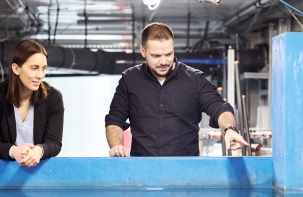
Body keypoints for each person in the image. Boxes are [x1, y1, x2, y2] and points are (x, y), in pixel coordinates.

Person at [105, 22, 249, 157]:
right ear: (143, 51)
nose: (163, 61)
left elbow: (220, 108)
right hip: (143, 170)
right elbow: (115, 120)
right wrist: (117, 146)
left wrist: (229, 129)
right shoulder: (130, 79)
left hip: (186, 172)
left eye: (168, 54)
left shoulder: (195, 79)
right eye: (156, 56)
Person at [0, 39, 64, 166]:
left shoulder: (53, 98)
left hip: (39, 171)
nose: (40, 75)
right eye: (34, 68)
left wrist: (40, 150)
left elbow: (54, 142)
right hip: (2, 172)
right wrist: (14, 151)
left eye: (43, 69)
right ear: (16, 68)